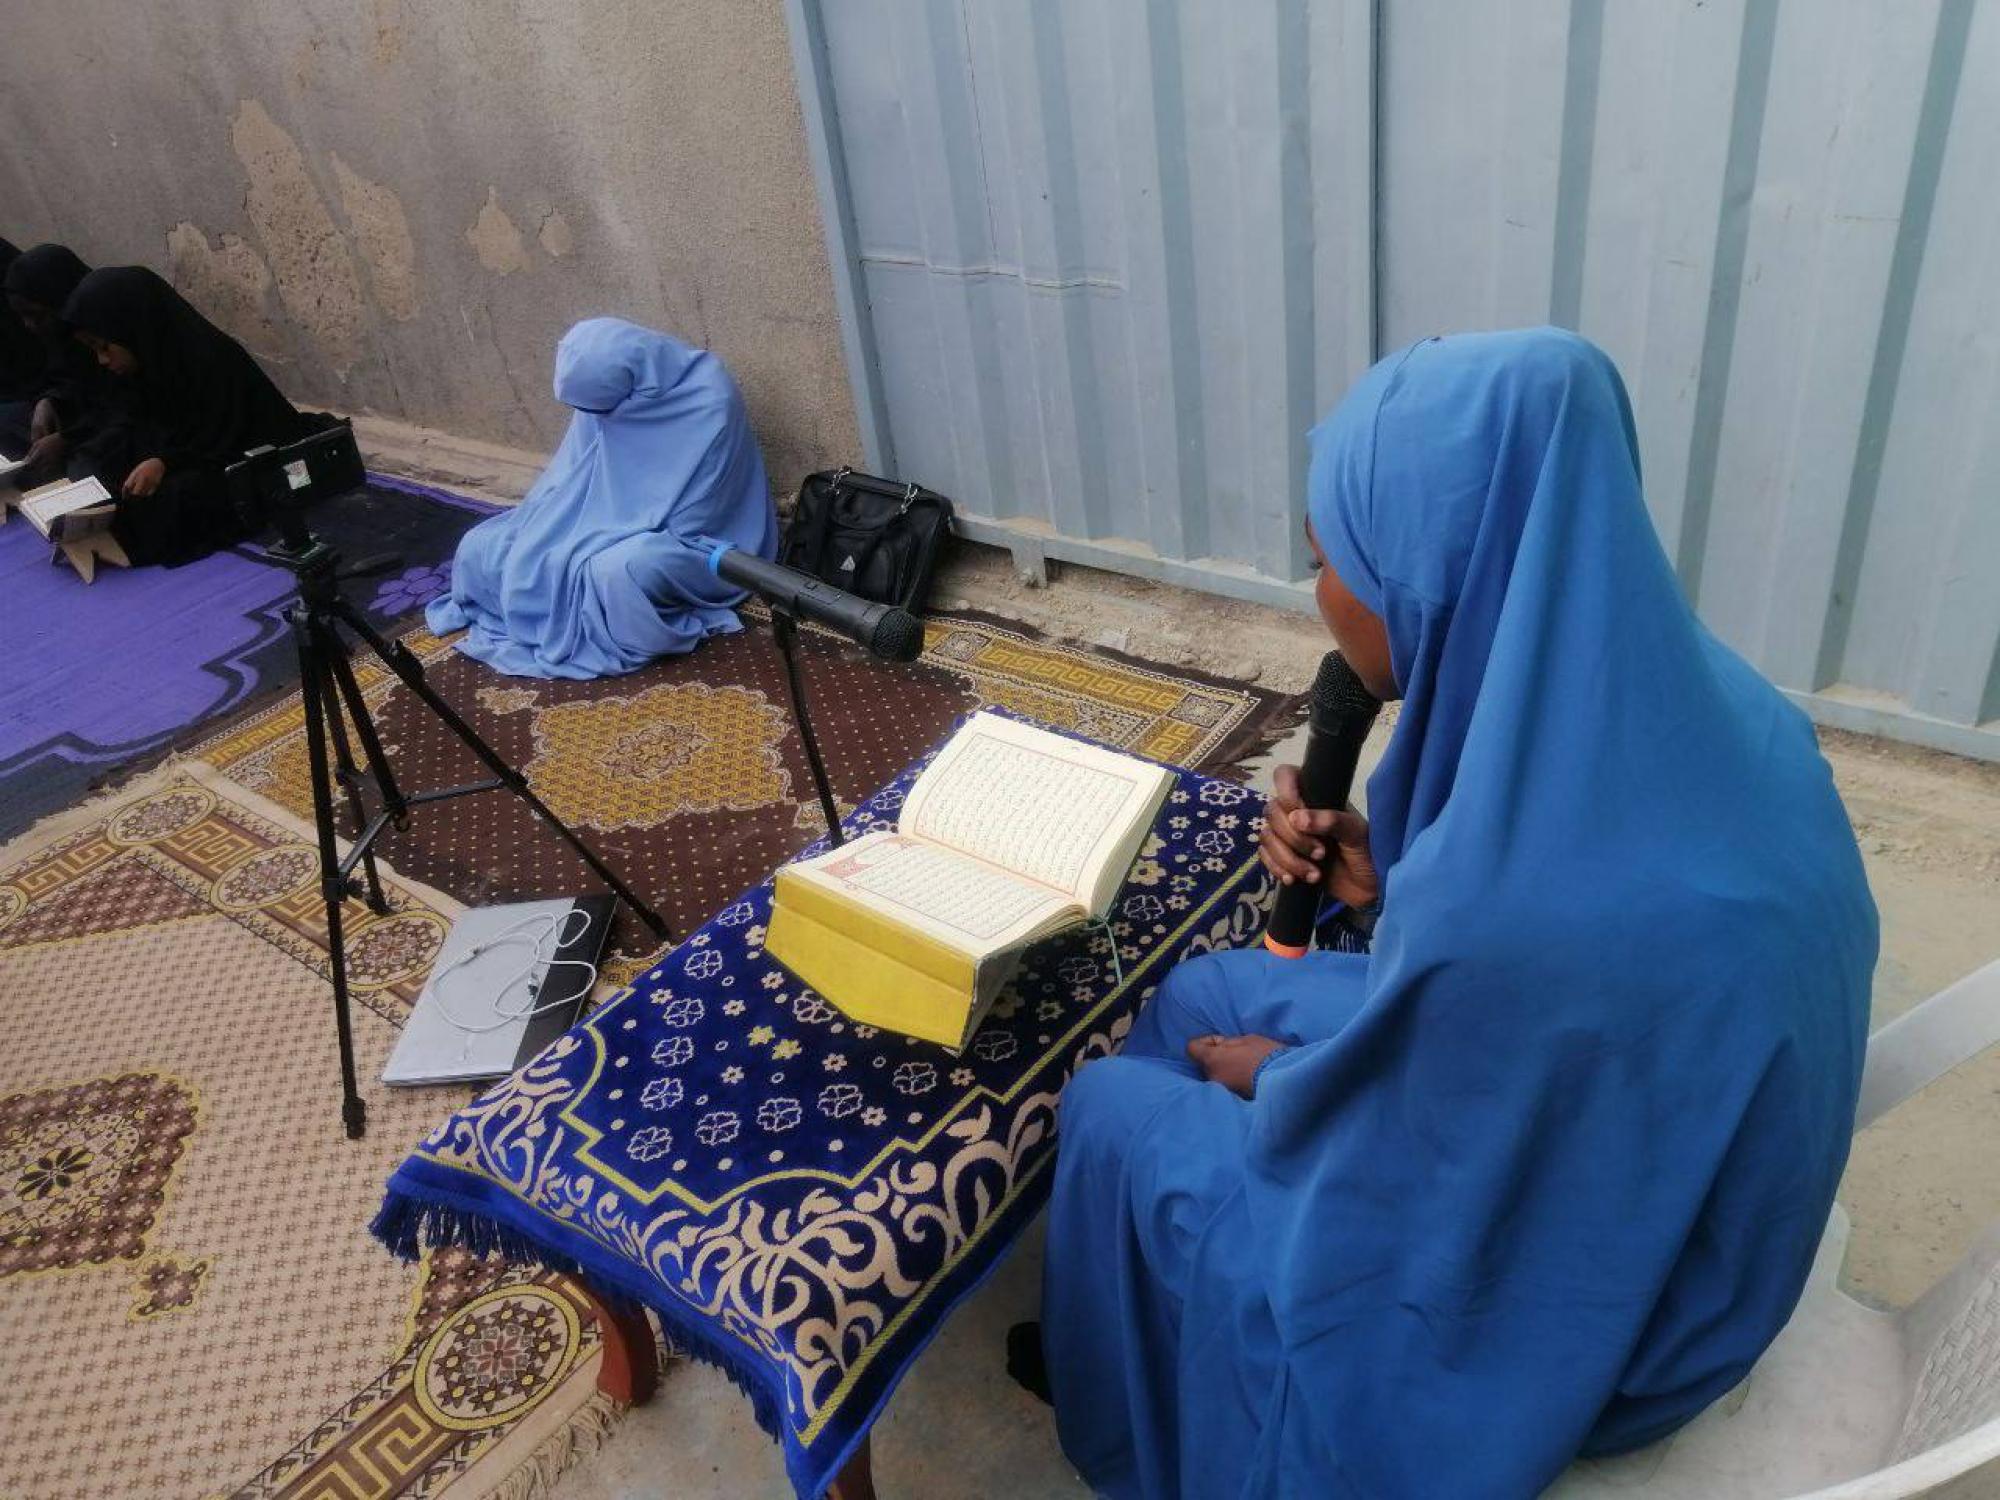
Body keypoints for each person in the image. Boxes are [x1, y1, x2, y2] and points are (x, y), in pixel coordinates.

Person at [1032, 329, 1877, 1498]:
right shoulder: (1726, 708)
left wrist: (1275, 1079)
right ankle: (1146, 1333)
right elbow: (1538, 1016)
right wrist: (1387, 889)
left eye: (1334, 560)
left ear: (1433, 571)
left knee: (1116, 1105)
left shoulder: (1509, 919)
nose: (1321, 593)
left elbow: (1412, 1153)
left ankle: (1153, 1397)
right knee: (1193, 990)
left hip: (1610, 1320)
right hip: (1665, 1166)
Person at [426, 316, 779, 679]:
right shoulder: (604, 395)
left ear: (630, 383)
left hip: (688, 537)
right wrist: (554, 527)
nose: (596, 419)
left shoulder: (710, 400)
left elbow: (701, 512)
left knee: (613, 574)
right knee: (483, 546)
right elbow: (570, 475)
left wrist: (595, 537)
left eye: (603, 411)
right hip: (598, 516)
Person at [60, 264, 314, 567]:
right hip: (183, 455)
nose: (102, 360)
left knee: (176, 500)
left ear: (134, 327)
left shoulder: (212, 360)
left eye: (105, 347)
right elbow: (138, 425)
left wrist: (166, 461)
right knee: (96, 459)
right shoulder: (143, 368)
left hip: (247, 463)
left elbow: (230, 440)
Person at [3, 242, 125, 488]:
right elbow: (64, 378)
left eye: (36, 315)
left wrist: (68, 439)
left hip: (112, 429)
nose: (28, 325)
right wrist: (49, 400)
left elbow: (125, 408)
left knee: (84, 470)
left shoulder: (108, 329)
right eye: (22, 317)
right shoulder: (60, 336)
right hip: (77, 419)